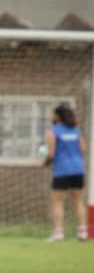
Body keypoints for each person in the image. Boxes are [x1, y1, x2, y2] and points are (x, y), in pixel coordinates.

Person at [44, 103, 88, 242]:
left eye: (53, 113)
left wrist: (44, 162)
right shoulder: (75, 130)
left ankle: (58, 234)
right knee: (78, 201)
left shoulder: (53, 131)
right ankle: (82, 233)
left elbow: (51, 153)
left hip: (62, 171)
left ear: (57, 116)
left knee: (58, 202)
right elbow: (83, 149)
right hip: (78, 169)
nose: (51, 116)